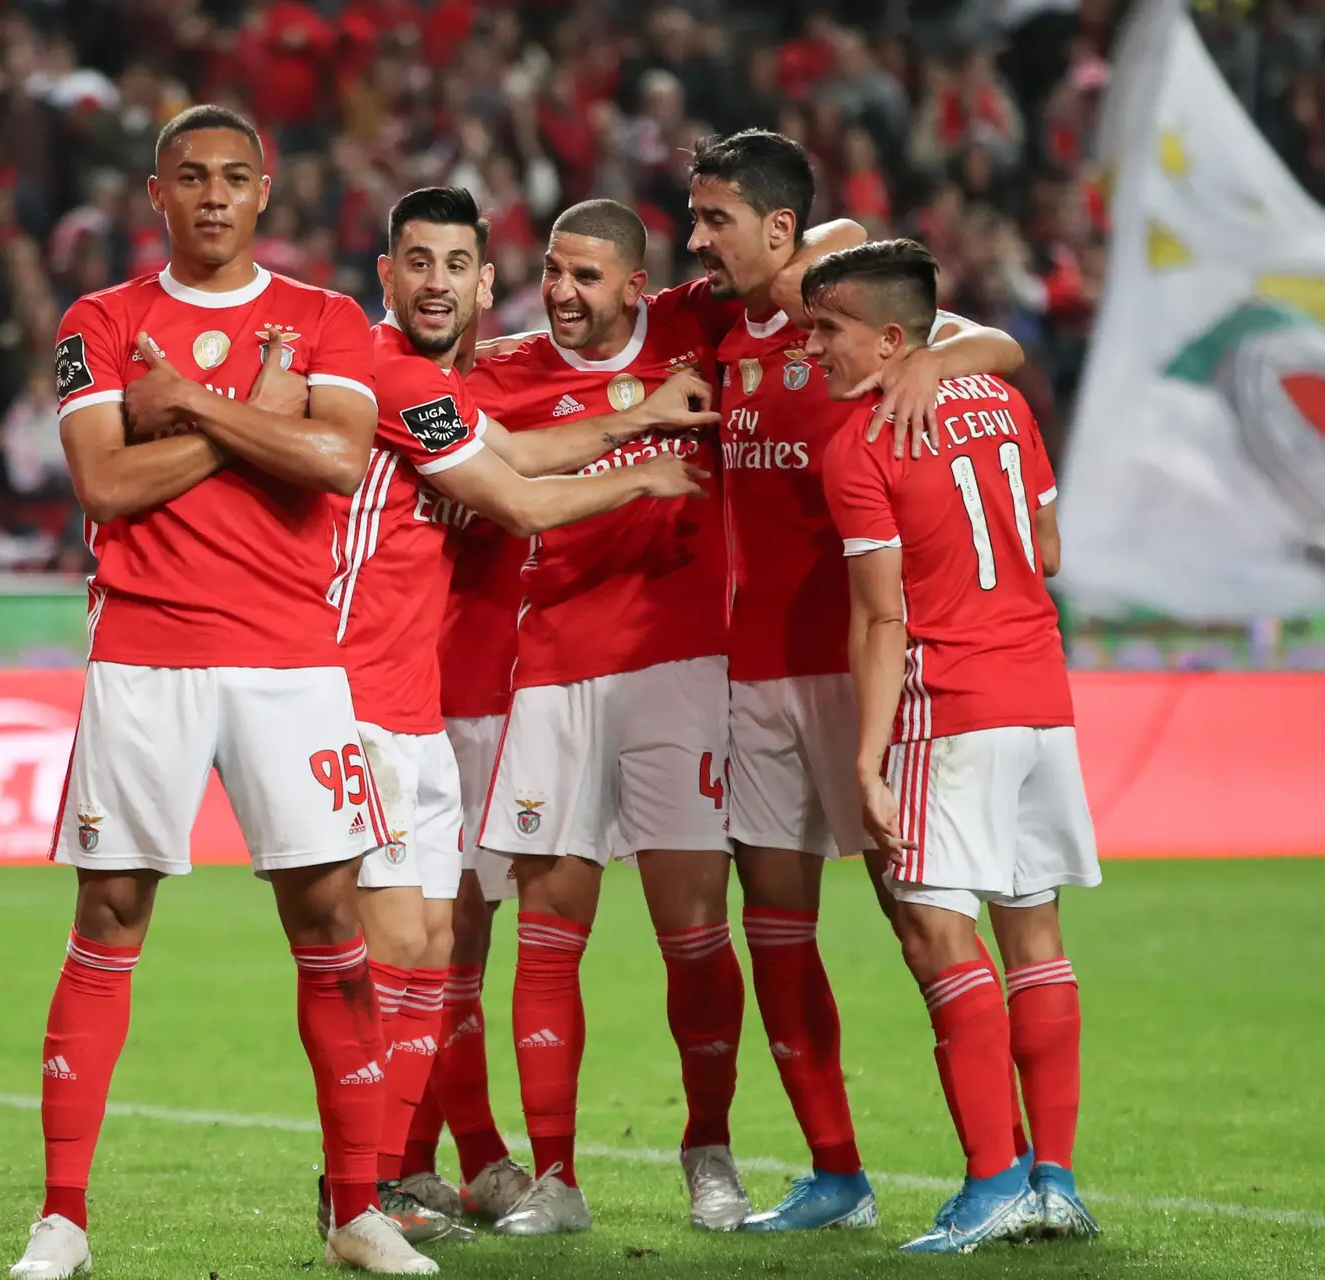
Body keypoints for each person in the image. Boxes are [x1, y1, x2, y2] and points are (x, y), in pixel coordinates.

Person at [14, 104, 413, 1278]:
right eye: (191, 178)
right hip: (145, 652)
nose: (213, 197)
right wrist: (252, 415)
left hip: (291, 660)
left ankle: (356, 1209)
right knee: (108, 921)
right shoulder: (100, 320)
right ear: (157, 192)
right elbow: (106, 482)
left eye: (234, 178)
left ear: (265, 191)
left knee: (331, 923)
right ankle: (65, 1218)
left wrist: (185, 406)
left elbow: (338, 459)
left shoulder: (328, 318)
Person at [464, 196, 862, 1236]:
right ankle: (557, 1176)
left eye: (586, 275)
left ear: (636, 286)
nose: (560, 291)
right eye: (552, 269)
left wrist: (938, 350)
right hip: (549, 674)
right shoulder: (505, 369)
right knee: (551, 935)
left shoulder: (699, 325)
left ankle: (709, 1152)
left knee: (694, 930)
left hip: (682, 672)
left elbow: (838, 243)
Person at [328, 185, 714, 1244]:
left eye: (459, 264)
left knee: (437, 945)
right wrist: (644, 471)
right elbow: (528, 494)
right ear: (390, 272)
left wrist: (633, 418)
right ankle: (385, 1176)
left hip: (476, 695)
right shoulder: (404, 378)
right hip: (405, 696)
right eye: (420, 261)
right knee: (418, 951)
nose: (440, 281)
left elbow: (522, 457)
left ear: (480, 280)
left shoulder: (455, 393)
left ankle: (422, 1171)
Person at [684, 129, 1026, 1233]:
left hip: (868, 670)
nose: (696, 242)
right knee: (774, 923)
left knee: (919, 917)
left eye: (714, 220)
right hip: (756, 672)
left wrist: (935, 359)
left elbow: (1002, 345)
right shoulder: (717, 321)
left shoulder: (855, 295)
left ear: (778, 227)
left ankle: (1001, 1167)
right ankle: (836, 1172)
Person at [812, 239, 1103, 1252]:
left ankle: (990, 1180)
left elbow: (881, 619)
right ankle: (1055, 1179)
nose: (816, 351)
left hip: (956, 698)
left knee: (937, 930)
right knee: (1035, 935)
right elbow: (1051, 550)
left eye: (829, 331)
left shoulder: (859, 444)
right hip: (1043, 697)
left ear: (893, 337)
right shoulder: (1009, 405)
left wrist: (865, 759)